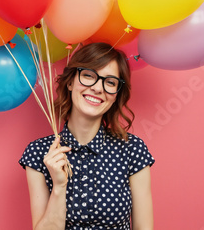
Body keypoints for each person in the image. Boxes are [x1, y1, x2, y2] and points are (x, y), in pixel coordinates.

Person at [19, 42, 155, 230]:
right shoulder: (39, 153)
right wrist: (59, 187)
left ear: (115, 95)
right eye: (89, 76)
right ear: (70, 82)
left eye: (110, 82)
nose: (98, 88)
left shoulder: (132, 150)